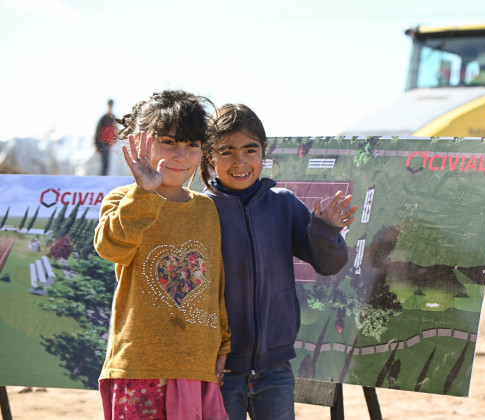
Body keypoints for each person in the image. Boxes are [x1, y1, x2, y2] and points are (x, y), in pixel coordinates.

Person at [200, 103, 357, 420]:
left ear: (264, 151)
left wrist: (325, 231)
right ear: (209, 156)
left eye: (250, 150)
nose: (240, 161)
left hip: (275, 369)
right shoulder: (199, 210)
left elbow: (328, 264)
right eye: (226, 151)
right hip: (217, 370)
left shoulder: (283, 204)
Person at [94, 90, 230, 419]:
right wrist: (144, 194)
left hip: (195, 365)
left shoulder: (206, 209)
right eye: (168, 142)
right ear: (141, 141)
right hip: (140, 365)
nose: (181, 155)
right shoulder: (123, 198)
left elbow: (215, 286)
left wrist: (222, 343)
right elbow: (111, 247)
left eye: (193, 144)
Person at [94, 99, 117, 176]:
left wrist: (115, 139)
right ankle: (103, 177)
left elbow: (116, 129)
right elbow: (98, 130)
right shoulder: (103, 118)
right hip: (103, 143)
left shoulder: (114, 118)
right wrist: (96, 145)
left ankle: (106, 176)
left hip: (111, 143)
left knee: (109, 163)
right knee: (104, 162)